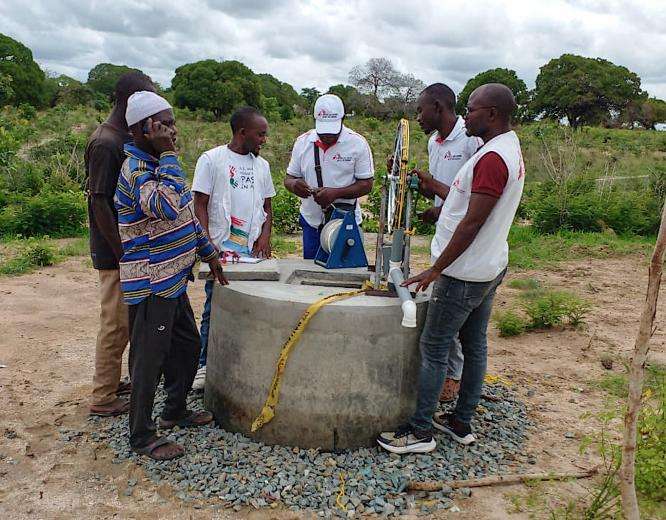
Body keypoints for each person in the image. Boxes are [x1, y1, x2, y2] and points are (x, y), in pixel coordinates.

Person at [377, 84, 525, 454]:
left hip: (463, 273)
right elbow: (467, 207)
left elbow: (472, 223)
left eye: (472, 109)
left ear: (491, 114)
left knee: (434, 347)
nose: (466, 114)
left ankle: (420, 431)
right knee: (475, 345)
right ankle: (460, 422)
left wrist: (435, 270)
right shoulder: (505, 149)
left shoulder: (491, 158)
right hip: (488, 266)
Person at [115, 91, 228, 460]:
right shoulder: (136, 170)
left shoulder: (161, 166)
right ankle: (142, 436)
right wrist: (167, 154)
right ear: (145, 128)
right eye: (166, 124)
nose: (174, 131)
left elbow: (185, 216)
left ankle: (174, 411)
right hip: (151, 282)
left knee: (187, 346)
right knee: (148, 359)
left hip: (173, 278)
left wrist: (209, 254)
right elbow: (163, 206)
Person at [85, 71, 155, 417]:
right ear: (131, 101)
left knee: (127, 319)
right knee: (115, 321)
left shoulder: (119, 138)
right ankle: (102, 396)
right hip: (114, 250)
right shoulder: (106, 143)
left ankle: (113, 382)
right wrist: (122, 251)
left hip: (122, 247)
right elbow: (99, 201)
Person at [190, 106, 275, 391]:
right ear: (242, 132)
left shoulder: (261, 166)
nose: (264, 140)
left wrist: (265, 237)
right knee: (215, 307)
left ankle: (244, 362)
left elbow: (267, 206)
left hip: (251, 253)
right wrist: (207, 244)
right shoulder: (212, 160)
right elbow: (199, 203)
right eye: (260, 134)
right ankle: (204, 364)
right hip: (221, 251)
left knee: (250, 305)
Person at [413, 83, 483, 403]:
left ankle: (452, 380)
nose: (418, 117)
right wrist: (417, 183)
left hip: (464, 241)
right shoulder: (434, 142)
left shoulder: (471, 141)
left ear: (439, 107)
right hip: (444, 237)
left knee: (453, 318)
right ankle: (453, 380)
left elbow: (474, 198)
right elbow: (439, 192)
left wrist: (441, 201)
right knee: (449, 313)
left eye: (420, 110)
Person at [284, 94, 374, 258]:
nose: (327, 136)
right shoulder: (303, 143)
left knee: (345, 274)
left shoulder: (357, 144)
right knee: (310, 274)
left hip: (344, 223)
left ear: (343, 119)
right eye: (323, 131)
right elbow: (288, 179)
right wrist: (295, 185)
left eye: (332, 131)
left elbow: (367, 184)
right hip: (312, 222)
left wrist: (335, 193)